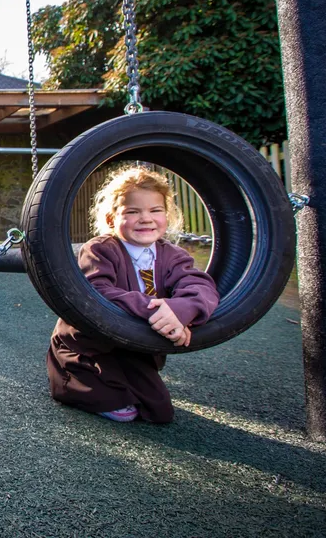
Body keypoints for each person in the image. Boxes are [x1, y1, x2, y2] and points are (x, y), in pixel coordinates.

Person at [46, 166, 219, 423]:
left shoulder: (172, 255)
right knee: (116, 405)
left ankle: (124, 382)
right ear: (111, 219)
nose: (145, 218)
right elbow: (99, 292)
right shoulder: (100, 250)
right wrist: (158, 310)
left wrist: (182, 312)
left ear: (167, 216)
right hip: (87, 347)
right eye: (132, 212)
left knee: (159, 412)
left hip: (135, 350)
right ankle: (69, 383)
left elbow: (199, 285)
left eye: (155, 210)